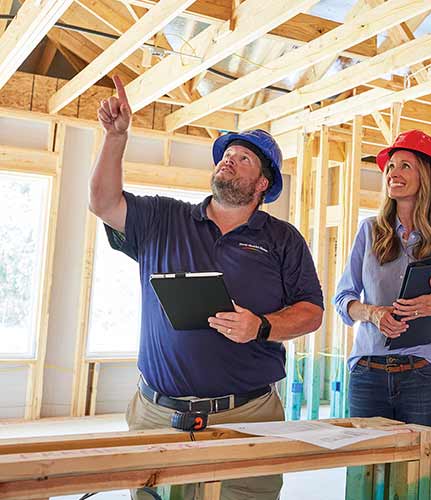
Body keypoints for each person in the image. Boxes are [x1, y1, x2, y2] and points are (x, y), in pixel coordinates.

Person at [89, 76, 324, 500]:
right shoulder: (163, 218)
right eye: (227, 154)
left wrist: (262, 326)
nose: (229, 161)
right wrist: (115, 138)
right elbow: (103, 203)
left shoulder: (283, 239)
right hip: (157, 415)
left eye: (243, 159)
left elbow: (312, 311)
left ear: (263, 184)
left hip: (249, 417)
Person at [333, 129, 431, 489]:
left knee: (420, 485)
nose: (392, 172)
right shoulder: (369, 232)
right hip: (368, 378)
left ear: (428, 179)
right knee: (366, 484)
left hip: (425, 380)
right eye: (390, 166)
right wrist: (372, 313)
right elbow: (343, 301)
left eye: (406, 165)